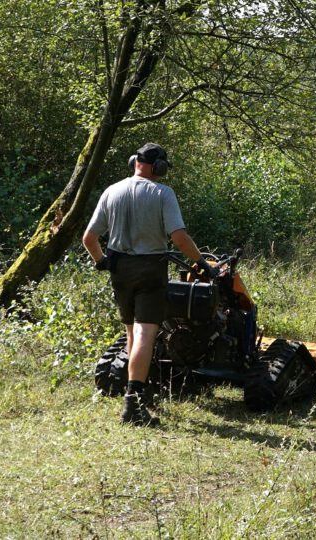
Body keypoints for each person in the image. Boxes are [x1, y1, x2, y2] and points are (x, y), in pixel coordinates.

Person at [83, 142, 216, 427]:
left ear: (134, 162)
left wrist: (102, 262)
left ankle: (138, 389)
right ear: (160, 168)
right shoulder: (163, 193)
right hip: (150, 268)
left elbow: (89, 239)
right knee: (145, 333)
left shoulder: (112, 191)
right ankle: (133, 405)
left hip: (119, 269)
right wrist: (202, 263)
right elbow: (179, 237)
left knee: (132, 332)